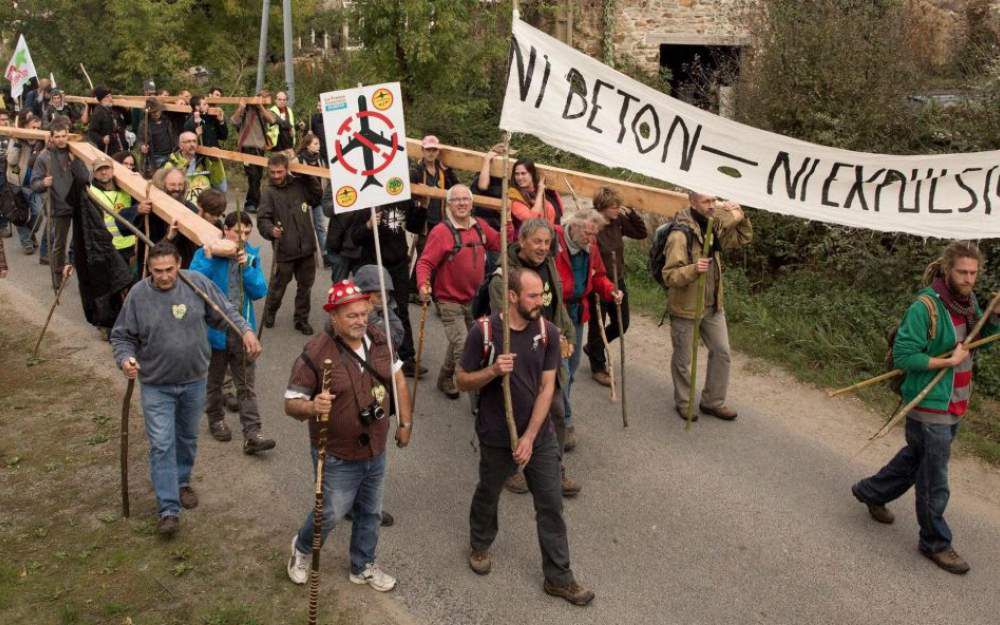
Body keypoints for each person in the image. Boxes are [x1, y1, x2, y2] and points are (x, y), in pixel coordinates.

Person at [852, 242, 999, 575]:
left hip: (955, 399)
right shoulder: (926, 306)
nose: (968, 279)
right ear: (947, 270)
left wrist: (994, 318)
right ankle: (935, 542)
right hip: (928, 402)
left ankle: (871, 491)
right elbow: (905, 357)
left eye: (973, 273)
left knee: (917, 457)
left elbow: (978, 334)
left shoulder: (967, 301)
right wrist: (947, 359)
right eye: (962, 272)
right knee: (934, 476)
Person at [457, 267, 594, 606]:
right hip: (495, 434)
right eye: (533, 296)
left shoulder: (547, 332)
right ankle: (480, 543)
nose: (540, 301)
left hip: (539, 434)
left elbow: (548, 388)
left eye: (542, 295)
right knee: (489, 491)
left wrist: (530, 437)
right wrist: (492, 371)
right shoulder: (484, 332)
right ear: (513, 296)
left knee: (551, 504)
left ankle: (559, 577)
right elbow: (462, 380)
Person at [111, 241, 261, 537]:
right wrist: (125, 359)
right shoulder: (139, 296)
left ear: (178, 264)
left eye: (169, 269)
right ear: (149, 269)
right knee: (162, 443)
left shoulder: (197, 284)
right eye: (157, 271)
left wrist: (245, 331)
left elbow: (224, 310)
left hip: (194, 380)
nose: (164, 276)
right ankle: (168, 509)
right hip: (156, 385)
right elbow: (122, 337)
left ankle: (181, 482)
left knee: (187, 438)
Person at [283, 279, 412, 591]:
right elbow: (290, 403)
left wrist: (405, 423)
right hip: (337, 453)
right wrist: (313, 406)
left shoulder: (380, 340)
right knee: (330, 511)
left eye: (363, 313)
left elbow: (398, 379)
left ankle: (363, 565)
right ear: (334, 317)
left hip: (376, 447)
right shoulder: (315, 352)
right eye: (351, 316)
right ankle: (301, 549)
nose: (360, 321)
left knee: (371, 512)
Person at [487, 218, 579, 497]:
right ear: (522, 241)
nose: (542, 247)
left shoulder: (549, 263)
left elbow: (557, 304)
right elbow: (506, 323)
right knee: (519, 414)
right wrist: (547, 335)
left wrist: (567, 333)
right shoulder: (504, 278)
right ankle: (514, 469)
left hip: (550, 350)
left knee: (557, 412)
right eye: (537, 241)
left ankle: (553, 470)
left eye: (547, 242)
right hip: (522, 356)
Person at [662, 190, 752, 422]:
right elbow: (670, 276)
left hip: (712, 305)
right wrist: (694, 269)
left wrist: (742, 216)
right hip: (686, 307)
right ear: (693, 202)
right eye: (706, 201)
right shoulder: (680, 236)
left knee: (722, 352)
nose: (712, 205)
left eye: (713, 200)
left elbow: (742, 238)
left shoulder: (713, 225)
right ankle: (685, 403)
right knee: (684, 359)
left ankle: (713, 402)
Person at [191, 212, 276, 454]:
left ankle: (252, 433)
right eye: (237, 232)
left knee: (246, 385)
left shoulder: (250, 255)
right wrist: (209, 257)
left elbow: (259, 290)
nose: (242, 237)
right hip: (214, 330)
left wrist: (246, 267)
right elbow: (194, 283)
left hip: (242, 330)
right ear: (225, 230)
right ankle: (215, 419)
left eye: (247, 233)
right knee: (215, 380)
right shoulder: (206, 251)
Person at [415, 185, 501, 399]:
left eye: (465, 199)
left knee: (460, 340)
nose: (462, 203)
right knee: (464, 345)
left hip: (474, 299)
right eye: (456, 200)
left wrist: (508, 222)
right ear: (449, 205)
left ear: (472, 204)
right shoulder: (441, 232)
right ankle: (478, 394)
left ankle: (445, 378)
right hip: (448, 301)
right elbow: (425, 262)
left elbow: (501, 242)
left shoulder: (480, 226)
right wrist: (422, 285)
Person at [555, 208, 623, 448]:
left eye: (594, 234)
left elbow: (598, 277)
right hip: (554, 314)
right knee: (561, 371)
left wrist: (610, 289)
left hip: (576, 314)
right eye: (587, 233)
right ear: (573, 225)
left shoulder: (591, 249)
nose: (591, 239)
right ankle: (564, 421)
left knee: (570, 371)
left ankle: (555, 414)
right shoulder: (553, 241)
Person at [350, 200, 424, 377]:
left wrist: (422, 207)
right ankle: (370, 354)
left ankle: (406, 358)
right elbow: (354, 237)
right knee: (374, 312)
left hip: (398, 266)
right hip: (375, 267)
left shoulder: (401, 198)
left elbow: (414, 227)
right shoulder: (366, 202)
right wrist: (368, 225)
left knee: (401, 311)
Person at [584, 187, 647, 386]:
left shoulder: (618, 221)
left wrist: (632, 213)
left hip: (618, 280)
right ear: (602, 207)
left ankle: (593, 348)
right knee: (598, 326)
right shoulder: (592, 224)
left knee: (622, 324)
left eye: (619, 206)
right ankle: (598, 367)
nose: (617, 209)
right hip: (598, 284)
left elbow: (640, 233)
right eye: (614, 206)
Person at [257, 153, 324, 334]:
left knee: (305, 287)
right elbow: (262, 219)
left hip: (306, 249)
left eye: (280, 172)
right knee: (279, 286)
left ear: (287, 169)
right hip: (285, 250)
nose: (276, 176)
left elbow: (317, 196)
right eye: (273, 172)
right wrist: (271, 230)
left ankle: (301, 320)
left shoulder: (299, 184)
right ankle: (270, 311)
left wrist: (307, 175)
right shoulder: (268, 192)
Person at [31, 118, 91, 290]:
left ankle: (82, 275)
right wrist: (43, 183)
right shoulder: (44, 157)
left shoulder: (74, 153)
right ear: (51, 137)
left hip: (77, 204)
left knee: (81, 242)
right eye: (57, 137)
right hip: (58, 206)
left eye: (64, 136)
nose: (61, 140)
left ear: (68, 136)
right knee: (59, 245)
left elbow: (85, 178)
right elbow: (34, 184)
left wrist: (76, 163)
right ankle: (57, 277)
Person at [4, 111, 45, 256]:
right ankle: (26, 242)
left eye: (38, 128)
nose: (36, 131)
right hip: (17, 183)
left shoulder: (41, 143)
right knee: (20, 215)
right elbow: (12, 161)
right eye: (33, 128)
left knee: (38, 213)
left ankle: (29, 232)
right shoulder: (17, 140)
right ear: (26, 127)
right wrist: (16, 143)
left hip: (33, 185)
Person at [88, 155, 138, 269]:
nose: (104, 172)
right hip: (105, 247)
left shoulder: (127, 188)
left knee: (127, 281)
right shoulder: (91, 193)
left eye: (107, 168)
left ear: (113, 170)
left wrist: (138, 181)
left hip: (127, 245)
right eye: (100, 169)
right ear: (94, 173)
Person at [231, 91, 277, 213]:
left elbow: (272, 120)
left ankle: (254, 202)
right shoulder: (247, 110)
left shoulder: (265, 111)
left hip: (259, 149)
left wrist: (261, 106)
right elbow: (234, 121)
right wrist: (241, 107)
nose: (263, 99)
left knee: (258, 176)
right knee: (253, 176)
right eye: (261, 97)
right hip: (247, 148)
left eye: (265, 98)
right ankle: (251, 203)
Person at [409, 135, 458, 232]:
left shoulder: (443, 171)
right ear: (422, 150)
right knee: (423, 246)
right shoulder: (415, 171)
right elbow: (408, 196)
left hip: (441, 222)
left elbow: (456, 188)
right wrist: (419, 192)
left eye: (434, 150)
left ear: (438, 152)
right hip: (423, 222)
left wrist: (448, 171)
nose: (431, 153)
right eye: (428, 150)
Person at [165, 131, 227, 203]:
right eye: (188, 142)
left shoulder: (204, 161)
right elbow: (165, 193)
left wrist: (216, 162)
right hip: (182, 208)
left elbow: (222, 188)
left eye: (194, 141)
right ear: (180, 145)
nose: (192, 144)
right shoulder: (171, 164)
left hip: (204, 207)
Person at [509, 158, 564, 236]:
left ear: (532, 173)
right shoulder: (514, 196)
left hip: (550, 233)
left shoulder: (547, 190)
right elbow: (531, 220)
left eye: (523, 173)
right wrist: (540, 193)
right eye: (517, 174)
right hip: (528, 237)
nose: (519, 178)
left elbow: (559, 209)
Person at [295, 132, 327, 254]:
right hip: (303, 199)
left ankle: (325, 254)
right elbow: (289, 173)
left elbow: (324, 177)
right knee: (306, 229)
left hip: (317, 198)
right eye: (315, 143)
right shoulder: (299, 159)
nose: (318, 146)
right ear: (307, 145)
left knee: (321, 227)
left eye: (318, 143)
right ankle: (307, 254)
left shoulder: (319, 158)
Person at [138, 98, 177, 173]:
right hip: (156, 157)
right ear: (149, 112)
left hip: (170, 155)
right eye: (153, 112)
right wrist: (142, 146)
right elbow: (140, 140)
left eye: (157, 111)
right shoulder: (145, 124)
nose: (156, 113)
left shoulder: (167, 120)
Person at [86, 87, 127, 154]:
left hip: (120, 146)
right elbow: (91, 132)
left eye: (110, 96)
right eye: (107, 97)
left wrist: (126, 110)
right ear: (102, 99)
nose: (111, 98)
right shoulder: (98, 112)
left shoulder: (114, 109)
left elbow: (127, 122)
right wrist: (102, 139)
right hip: (108, 149)